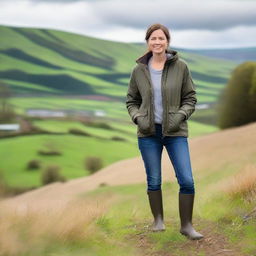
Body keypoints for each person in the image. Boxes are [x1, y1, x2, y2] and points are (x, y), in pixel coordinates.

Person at [126, 23, 204, 240]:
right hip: (148, 133)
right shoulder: (138, 70)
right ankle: (158, 220)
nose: (157, 42)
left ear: (167, 41)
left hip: (175, 132)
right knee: (154, 180)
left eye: (161, 38)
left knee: (187, 180)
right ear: (148, 42)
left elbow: (190, 98)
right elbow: (132, 100)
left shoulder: (181, 67)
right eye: (153, 39)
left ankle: (186, 226)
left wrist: (180, 116)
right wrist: (137, 118)